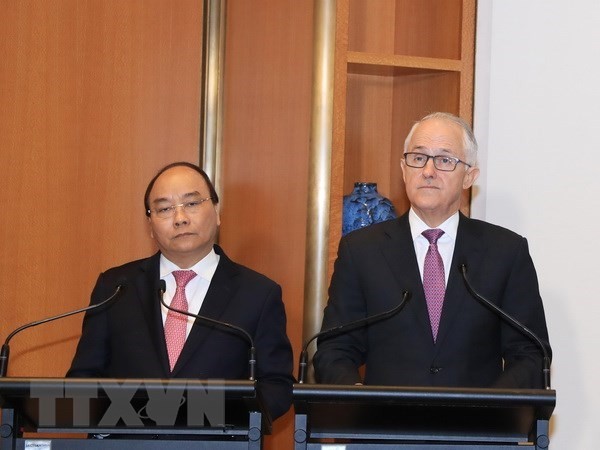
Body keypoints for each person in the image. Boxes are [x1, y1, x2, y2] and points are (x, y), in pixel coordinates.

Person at [313, 112, 551, 389]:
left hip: (474, 427)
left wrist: (490, 410)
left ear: (469, 177)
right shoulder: (362, 250)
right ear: (404, 169)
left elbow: (530, 354)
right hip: (384, 425)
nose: (428, 171)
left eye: (444, 160)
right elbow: (335, 349)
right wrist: (358, 399)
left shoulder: (506, 252)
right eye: (418, 158)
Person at [68, 162, 294, 420]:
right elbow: (83, 379)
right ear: (150, 224)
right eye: (164, 209)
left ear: (217, 211)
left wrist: (219, 418)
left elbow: (276, 386)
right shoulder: (116, 287)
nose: (180, 218)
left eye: (192, 204)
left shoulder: (259, 294)